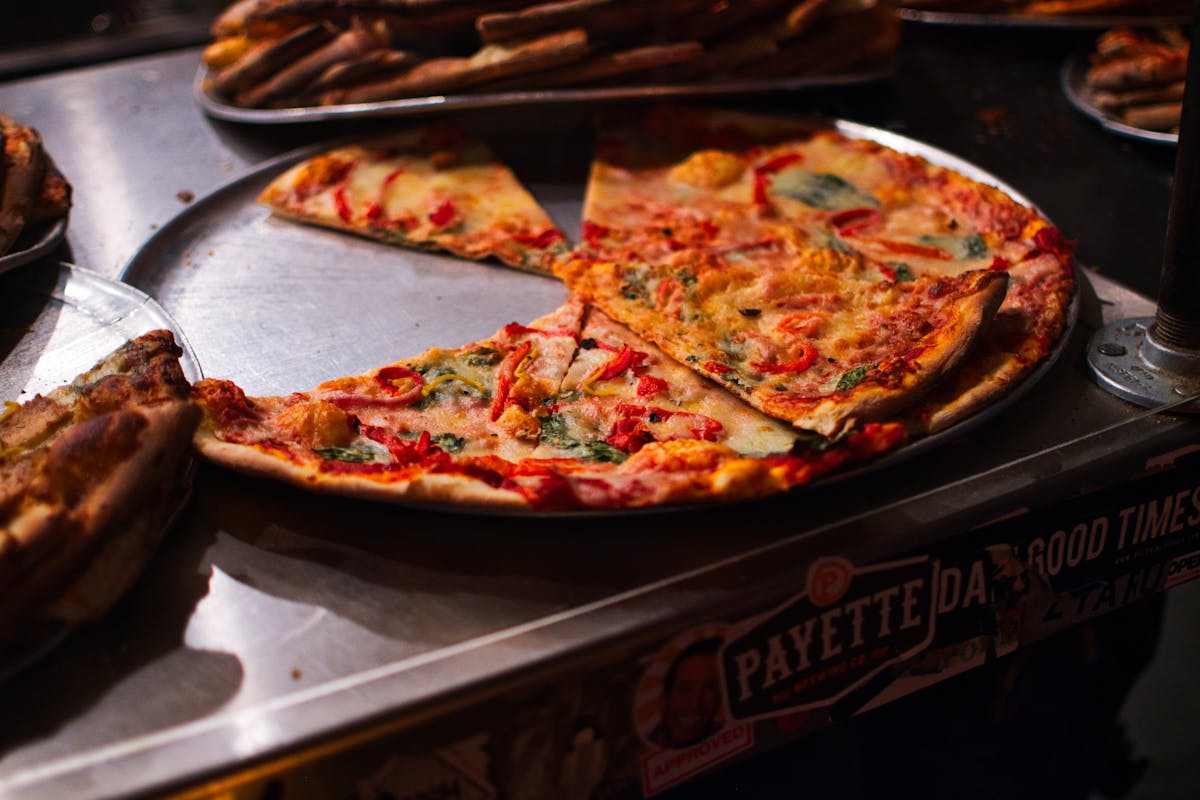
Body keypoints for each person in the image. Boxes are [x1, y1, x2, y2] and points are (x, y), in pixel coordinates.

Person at [650, 637, 724, 749]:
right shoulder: (633, 756)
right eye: (684, 688)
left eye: (711, 688)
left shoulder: (724, 734)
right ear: (663, 700)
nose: (695, 703)